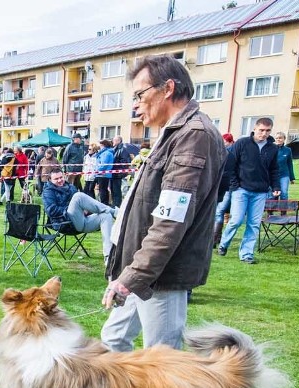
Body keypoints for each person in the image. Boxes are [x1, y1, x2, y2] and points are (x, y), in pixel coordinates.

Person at [101, 54, 224, 352]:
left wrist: (134, 274)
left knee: (162, 360)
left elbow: (171, 220)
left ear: (167, 88)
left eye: (140, 94)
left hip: (162, 274)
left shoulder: (193, 135)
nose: (136, 104)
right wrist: (128, 273)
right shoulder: (172, 132)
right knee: (114, 339)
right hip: (140, 269)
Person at [217, 117, 280, 264]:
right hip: (241, 189)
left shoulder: (272, 148)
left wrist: (276, 186)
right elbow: (231, 164)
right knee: (236, 220)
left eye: (267, 131)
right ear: (254, 129)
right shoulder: (242, 143)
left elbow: (274, 169)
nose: (264, 134)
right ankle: (223, 244)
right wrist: (234, 185)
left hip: (261, 191)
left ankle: (246, 254)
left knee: (253, 224)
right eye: (261, 130)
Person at [42, 170, 117, 262]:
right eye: (56, 179)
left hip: (80, 221)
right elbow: (51, 210)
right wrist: (71, 209)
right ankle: (115, 212)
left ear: (64, 176)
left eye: (61, 177)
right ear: (50, 179)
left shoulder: (71, 187)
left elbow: (83, 206)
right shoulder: (48, 192)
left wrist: (85, 210)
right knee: (78, 196)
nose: (59, 180)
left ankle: (108, 256)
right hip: (64, 223)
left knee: (106, 215)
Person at [213, 133, 235, 247]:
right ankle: (213, 238)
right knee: (216, 212)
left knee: (219, 211)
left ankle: (215, 238)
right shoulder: (216, 153)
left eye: (225, 141)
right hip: (218, 186)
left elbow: (230, 173)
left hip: (226, 187)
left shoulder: (231, 155)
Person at [110, 136, 131, 207]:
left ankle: (117, 205)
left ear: (119, 141)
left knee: (117, 190)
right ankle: (114, 204)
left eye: (114, 140)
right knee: (112, 189)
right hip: (112, 173)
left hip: (117, 174)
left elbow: (125, 163)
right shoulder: (114, 149)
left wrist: (120, 173)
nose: (113, 142)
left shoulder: (123, 150)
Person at [273, 132, 296, 200]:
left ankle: (283, 209)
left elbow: (289, 164)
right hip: (273, 175)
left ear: (284, 139)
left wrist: (292, 178)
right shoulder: (271, 149)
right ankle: (271, 209)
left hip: (284, 175)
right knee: (273, 193)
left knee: (284, 192)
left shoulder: (288, 150)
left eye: (280, 138)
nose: (278, 139)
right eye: (277, 138)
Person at [95, 139, 114, 205]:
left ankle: (103, 204)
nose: (99, 146)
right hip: (105, 174)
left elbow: (103, 165)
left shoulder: (106, 153)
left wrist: (97, 171)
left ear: (103, 145)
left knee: (102, 190)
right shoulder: (107, 152)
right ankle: (106, 203)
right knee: (104, 189)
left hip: (102, 174)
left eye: (100, 145)